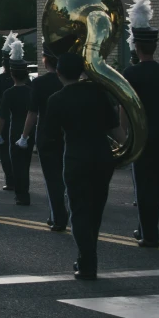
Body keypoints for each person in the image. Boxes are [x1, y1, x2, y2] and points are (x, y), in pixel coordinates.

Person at [44, 53, 121, 280]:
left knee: (79, 211)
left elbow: (50, 136)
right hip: (102, 157)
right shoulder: (98, 93)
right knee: (96, 210)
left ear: (58, 73)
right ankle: (89, 256)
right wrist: (131, 148)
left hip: (76, 158)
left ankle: (87, 262)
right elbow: (115, 129)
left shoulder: (56, 99)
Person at [120, 0, 159, 247]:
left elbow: (124, 106)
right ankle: (149, 229)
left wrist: (124, 134)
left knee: (142, 183)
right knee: (157, 183)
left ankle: (148, 233)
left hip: (140, 134)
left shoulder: (130, 73)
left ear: (136, 46)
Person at [17, 40, 66, 230]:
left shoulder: (39, 83)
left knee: (52, 179)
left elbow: (33, 113)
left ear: (46, 61)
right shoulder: (69, 81)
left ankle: (58, 217)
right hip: (68, 134)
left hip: (47, 134)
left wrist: (24, 135)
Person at [0, 38, 33, 206]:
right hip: (29, 128)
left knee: (17, 164)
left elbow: (3, 116)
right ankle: (23, 191)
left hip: (15, 129)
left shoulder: (9, 93)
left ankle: (21, 194)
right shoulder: (31, 90)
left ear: (12, 74)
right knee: (25, 164)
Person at [0, 32, 18, 191]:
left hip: (5, 118)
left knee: (5, 153)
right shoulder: (23, 79)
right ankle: (17, 180)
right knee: (17, 154)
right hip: (20, 119)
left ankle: (10, 180)